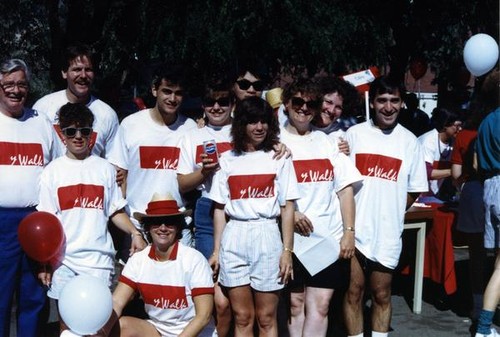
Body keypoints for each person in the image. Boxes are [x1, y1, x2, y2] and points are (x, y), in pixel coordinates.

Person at [36, 102, 147, 333]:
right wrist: (44, 263)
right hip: (64, 263)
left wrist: (135, 232)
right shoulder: (51, 173)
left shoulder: (105, 169)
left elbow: (115, 211)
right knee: (67, 328)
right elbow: (47, 224)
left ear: (92, 134)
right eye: (71, 131)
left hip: (98, 262)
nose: (78, 137)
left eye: (84, 131)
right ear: (61, 134)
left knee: (97, 328)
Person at [343, 76, 428, 337]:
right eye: (382, 100)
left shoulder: (410, 141)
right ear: (373, 103)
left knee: (382, 293)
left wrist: (389, 211)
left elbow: (414, 189)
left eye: (394, 100)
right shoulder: (354, 135)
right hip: (353, 232)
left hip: (388, 234)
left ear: (402, 103)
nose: (388, 107)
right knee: (353, 292)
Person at [209, 96, 299, 337]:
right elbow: (219, 209)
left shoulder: (279, 157)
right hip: (234, 235)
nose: (259, 127)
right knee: (243, 316)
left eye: (264, 122)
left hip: (267, 233)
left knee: (266, 317)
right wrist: (217, 251)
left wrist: (287, 251)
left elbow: (287, 206)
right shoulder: (227, 160)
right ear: (241, 125)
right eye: (252, 122)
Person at [279, 78, 362, 337]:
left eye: (311, 104)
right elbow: (267, 191)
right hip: (293, 239)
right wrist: (293, 215)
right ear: (286, 104)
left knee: (322, 305)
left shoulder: (329, 142)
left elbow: (345, 189)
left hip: (327, 237)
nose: (304, 108)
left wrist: (349, 232)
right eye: (298, 102)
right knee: (295, 304)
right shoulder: (275, 141)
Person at [107, 63, 197, 258]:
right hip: (138, 225)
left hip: (178, 226)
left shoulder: (190, 128)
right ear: (154, 90)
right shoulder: (131, 124)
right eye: (167, 91)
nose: (172, 99)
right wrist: (130, 229)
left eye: (178, 93)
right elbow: (119, 177)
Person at [92, 194, 215, 337]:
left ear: (178, 226)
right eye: (156, 222)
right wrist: (102, 332)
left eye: (169, 222)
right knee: (121, 326)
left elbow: (203, 316)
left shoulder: (194, 259)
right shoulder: (138, 260)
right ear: (148, 227)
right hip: (158, 330)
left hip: (195, 333)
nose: (163, 228)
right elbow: (117, 302)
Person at [0, 58, 58, 337]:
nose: (15, 90)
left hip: (36, 220)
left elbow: (58, 168)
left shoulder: (41, 123)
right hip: (2, 221)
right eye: (8, 83)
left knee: (35, 295)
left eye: (21, 84)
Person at [177, 80, 234, 337]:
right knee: (215, 292)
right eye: (211, 102)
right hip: (207, 208)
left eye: (223, 101)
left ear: (233, 104)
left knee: (241, 290)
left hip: (241, 208)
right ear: (203, 106)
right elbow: (182, 184)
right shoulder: (192, 137)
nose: (217, 107)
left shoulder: (243, 132)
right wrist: (204, 172)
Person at [32, 44, 121, 163]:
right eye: (77, 69)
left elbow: (114, 163)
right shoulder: (43, 107)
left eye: (88, 70)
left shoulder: (107, 114)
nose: (83, 75)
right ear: (64, 73)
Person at [450, 108, 486, 324]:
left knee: (477, 257)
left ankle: (479, 306)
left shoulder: (464, 134)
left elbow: (456, 175)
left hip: (472, 194)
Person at [474, 69, 500, 337]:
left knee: (498, 263)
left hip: (491, 188)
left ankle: (485, 324)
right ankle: (483, 327)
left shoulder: (485, 123)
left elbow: (477, 164)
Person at [417, 107, 462, 203]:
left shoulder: (454, 143)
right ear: (445, 125)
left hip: (433, 195)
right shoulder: (428, 141)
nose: (460, 129)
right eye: (457, 126)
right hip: (417, 196)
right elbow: (427, 173)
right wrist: (454, 171)